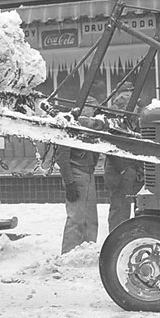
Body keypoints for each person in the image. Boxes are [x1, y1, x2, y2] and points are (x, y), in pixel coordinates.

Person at [55, 105, 100, 254]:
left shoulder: (90, 130)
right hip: (76, 174)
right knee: (76, 219)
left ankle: (88, 252)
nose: (91, 115)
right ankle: (68, 254)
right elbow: (62, 157)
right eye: (89, 110)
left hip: (87, 174)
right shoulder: (69, 127)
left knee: (91, 219)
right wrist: (69, 182)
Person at [103, 89, 144, 232]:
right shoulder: (114, 123)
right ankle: (117, 239)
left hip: (133, 173)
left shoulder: (135, 123)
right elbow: (111, 149)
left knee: (140, 210)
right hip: (119, 173)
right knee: (120, 211)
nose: (138, 110)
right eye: (135, 107)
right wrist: (124, 170)